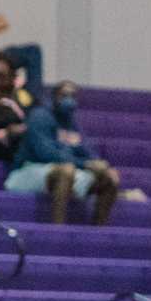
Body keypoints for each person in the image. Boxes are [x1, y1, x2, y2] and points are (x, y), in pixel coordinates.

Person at [10, 81, 127, 227]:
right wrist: (85, 164)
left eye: (73, 96)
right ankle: (58, 230)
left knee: (109, 177)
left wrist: (101, 166)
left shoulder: (71, 122)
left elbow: (86, 150)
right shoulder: (39, 116)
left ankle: (99, 230)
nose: (69, 100)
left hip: (64, 171)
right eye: (64, 95)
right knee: (66, 171)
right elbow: (45, 153)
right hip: (28, 171)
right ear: (54, 97)